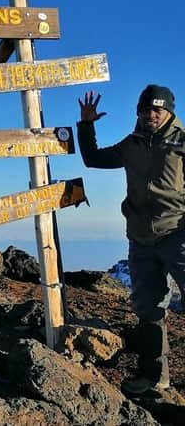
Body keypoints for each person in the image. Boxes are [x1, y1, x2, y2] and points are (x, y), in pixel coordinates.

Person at [77, 85, 184, 395]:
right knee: (148, 308)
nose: (151, 114)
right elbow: (93, 159)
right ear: (138, 111)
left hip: (178, 234)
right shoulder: (131, 143)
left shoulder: (182, 142)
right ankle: (155, 377)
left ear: (168, 113)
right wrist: (86, 125)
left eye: (158, 110)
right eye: (146, 109)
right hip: (140, 239)